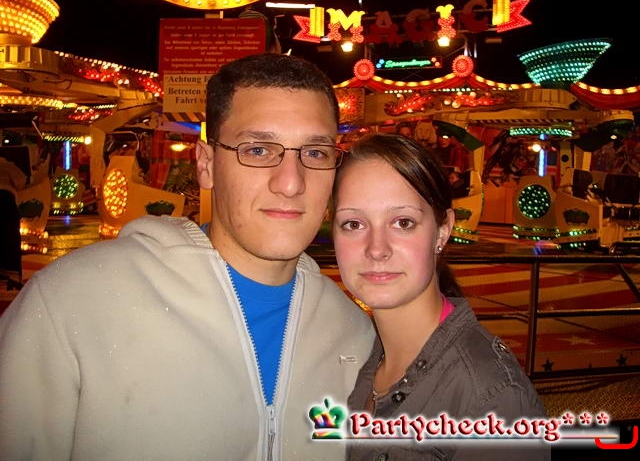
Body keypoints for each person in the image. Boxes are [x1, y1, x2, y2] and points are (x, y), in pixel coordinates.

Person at [0, 53, 374, 460]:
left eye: (315, 153)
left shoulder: (355, 333)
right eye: (258, 149)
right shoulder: (72, 303)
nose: (290, 183)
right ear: (206, 165)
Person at [331, 133, 550, 460]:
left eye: (403, 222)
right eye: (353, 224)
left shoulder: (490, 400)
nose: (376, 249)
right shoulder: (361, 356)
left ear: (443, 230)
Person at [0, 156, 27, 290]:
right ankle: (13, 275)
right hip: (6, 201)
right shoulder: (8, 166)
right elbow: (21, 181)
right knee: (11, 239)